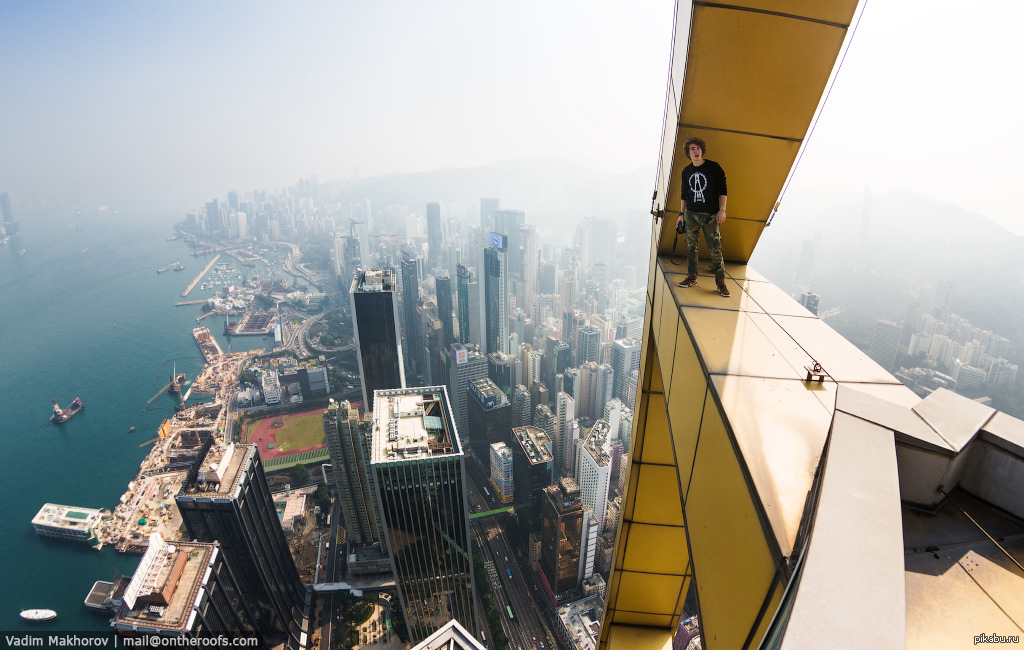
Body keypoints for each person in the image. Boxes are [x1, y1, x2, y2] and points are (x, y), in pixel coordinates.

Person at [675, 137, 730, 297]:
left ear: (702, 150)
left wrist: (722, 210)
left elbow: (723, 189)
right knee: (691, 247)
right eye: (692, 148)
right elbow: (684, 194)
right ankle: (692, 277)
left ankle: (721, 283)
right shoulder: (687, 171)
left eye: (698, 148)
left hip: (710, 215)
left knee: (715, 248)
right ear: (688, 152)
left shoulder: (714, 167)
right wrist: (681, 214)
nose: (696, 151)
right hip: (691, 215)